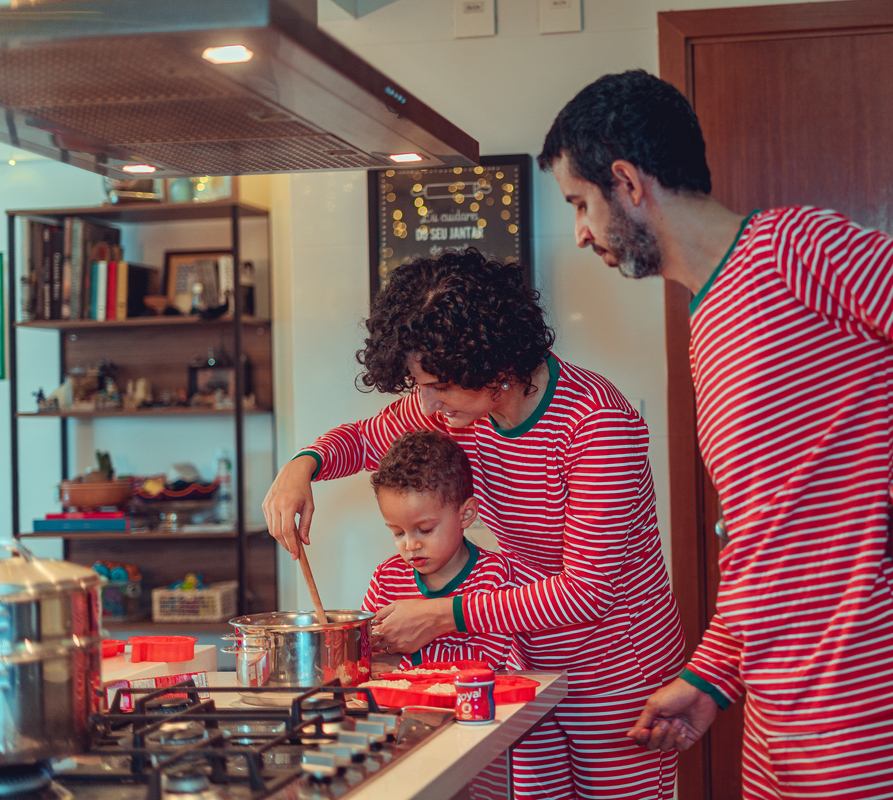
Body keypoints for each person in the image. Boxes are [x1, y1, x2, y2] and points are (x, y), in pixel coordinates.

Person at [538, 69, 893, 799]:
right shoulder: (708, 317)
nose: (582, 233)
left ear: (627, 183)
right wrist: (710, 676)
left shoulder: (787, 249)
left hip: (872, 683)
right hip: (782, 693)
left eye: (581, 204)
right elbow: (768, 533)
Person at [262, 248, 685, 800]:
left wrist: (444, 614)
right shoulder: (457, 407)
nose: (426, 402)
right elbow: (366, 437)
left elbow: (589, 591)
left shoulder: (596, 426)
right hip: (528, 663)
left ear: (495, 363)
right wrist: (304, 465)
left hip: (615, 668)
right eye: (419, 384)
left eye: (437, 384)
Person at [361, 429, 538, 670]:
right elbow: (366, 647)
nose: (411, 545)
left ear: (466, 514)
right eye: (398, 533)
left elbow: (487, 659)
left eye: (425, 529)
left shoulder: (493, 576)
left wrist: (405, 661)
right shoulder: (386, 577)